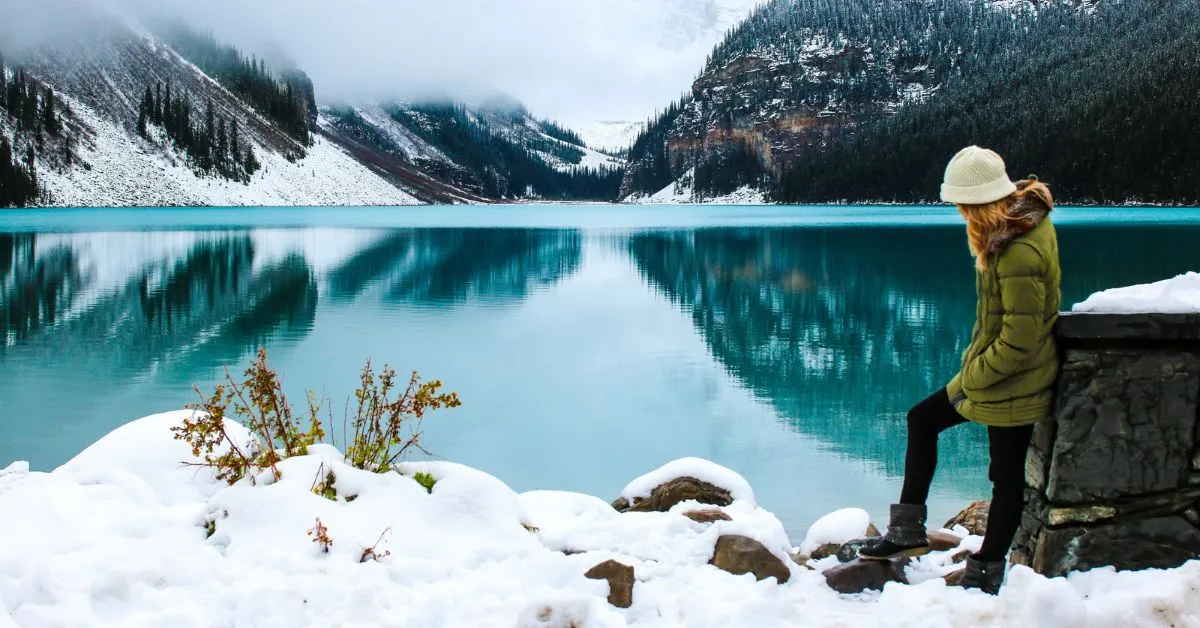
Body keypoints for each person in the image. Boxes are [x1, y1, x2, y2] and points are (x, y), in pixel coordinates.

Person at [857, 146, 1061, 595]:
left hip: (1015, 379)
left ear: (981, 201)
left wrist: (973, 377)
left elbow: (1020, 340)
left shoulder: (1019, 251)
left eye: (963, 205)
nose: (959, 213)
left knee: (1005, 478)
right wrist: (974, 370)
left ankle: (986, 570)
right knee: (922, 418)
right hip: (993, 373)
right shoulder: (1011, 229)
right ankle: (908, 530)